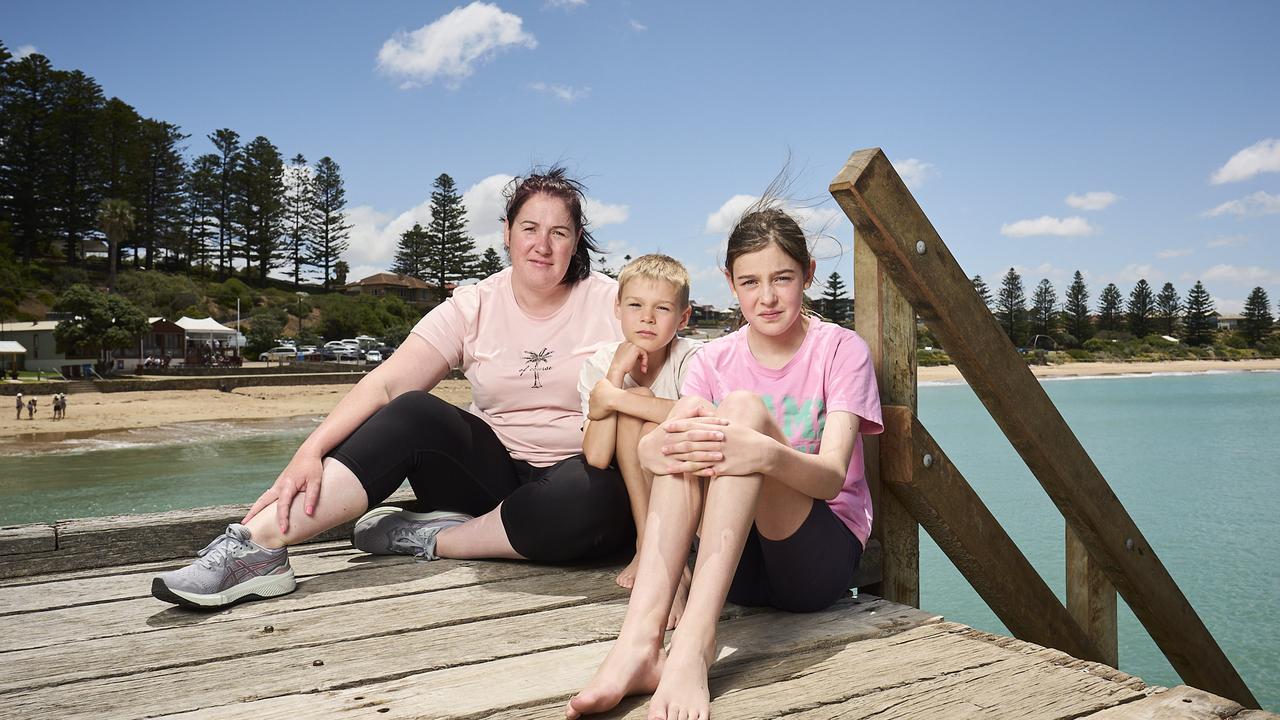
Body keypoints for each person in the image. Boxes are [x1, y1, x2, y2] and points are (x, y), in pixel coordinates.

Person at [152, 168, 633, 610]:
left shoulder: (612, 302)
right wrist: (309, 451)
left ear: (576, 244)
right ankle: (255, 547)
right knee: (414, 410)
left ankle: (434, 538)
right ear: (507, 234)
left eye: (559, 233)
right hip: (486, 479)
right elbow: (384, 386)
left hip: (578, 481)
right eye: (530, 228)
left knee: (596, 496)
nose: (542, 245)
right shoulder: (475, 304)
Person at [567, 204, 883, 720]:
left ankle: (692, 647)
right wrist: (656, 447)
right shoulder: (714, 360)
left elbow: (829, 480)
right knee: (700, 418)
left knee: (741, 410)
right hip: (732, 565)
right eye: (750, 281)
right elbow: (663, 449)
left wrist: (765, 454)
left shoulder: (840, 350)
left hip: (815, 561)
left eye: (782, 278)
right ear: (730, 284)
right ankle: (639, 644)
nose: (767, 296)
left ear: (808, 275)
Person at [577, 254, 701, 601]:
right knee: (640, 398)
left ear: (683, 317)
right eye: (635, 305)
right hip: (629, 493)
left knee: (645, 417)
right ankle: (648, 543)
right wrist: (615, 376)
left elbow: (697, 414)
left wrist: (614, 398)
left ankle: (663, 551)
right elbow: (597, 456)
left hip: (687, 486)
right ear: (617, 308)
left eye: (662, 309)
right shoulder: (601, 363)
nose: (647, 317)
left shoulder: (691, 357)